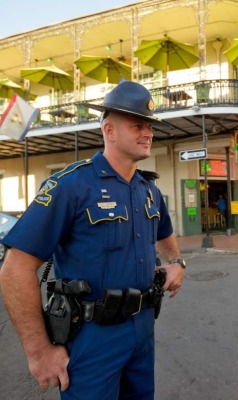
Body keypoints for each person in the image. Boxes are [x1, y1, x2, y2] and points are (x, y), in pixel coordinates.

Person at [0, 81, 185, 400]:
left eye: (150, 126)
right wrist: (40, 351)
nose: (148, 133)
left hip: (143, 331)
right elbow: (15, 270)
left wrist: (176, 263)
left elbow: (165, 233)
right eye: (137, 124)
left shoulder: (149, 191)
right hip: (92, 337)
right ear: (109, 130)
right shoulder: (70, 186)